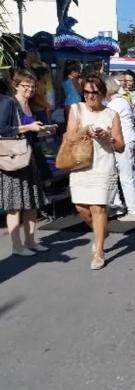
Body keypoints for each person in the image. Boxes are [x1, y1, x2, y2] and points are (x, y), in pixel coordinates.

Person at [67, 75, 125, 269]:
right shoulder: (76, 109)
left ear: (103, 93)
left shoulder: (111, 114)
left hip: (103, 164)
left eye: (94, 93)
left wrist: (108, 136)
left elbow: (120, 146)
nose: (90, 97)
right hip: (81, 164)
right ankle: (100, 230)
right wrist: (86, 130)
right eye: (86, 92)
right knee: (82, 208)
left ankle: (99, 251)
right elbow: (70, 136)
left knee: (98, 208)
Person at [0, 71, 49, 256]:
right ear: (16, 85)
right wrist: (28, 127)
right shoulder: (9, 102)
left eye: (32, 86)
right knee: (15, 205)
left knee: (32, 202)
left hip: (29, 156)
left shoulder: (29, 104)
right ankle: (17, 246)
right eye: (25, 85)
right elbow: (3, 129)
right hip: (13, 158)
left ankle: (30, 241)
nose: (29, 89)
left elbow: (30, 130)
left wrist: (43, 130)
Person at [106, 77, 135, 222]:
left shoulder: (114, 104)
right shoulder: (123, 100)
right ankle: (120, 206)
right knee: (123, 175)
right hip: (129, 138)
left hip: (122, 141)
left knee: (124, 177)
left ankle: (133, 210)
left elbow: (108, 123)